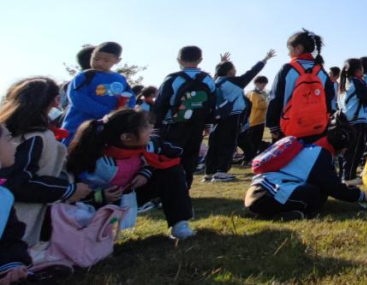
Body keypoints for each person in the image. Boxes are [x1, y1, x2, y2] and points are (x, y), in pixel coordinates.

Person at [67, 108, 196, 240]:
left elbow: (169, 155)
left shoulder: (148, 146)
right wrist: (100, 196)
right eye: (145, 127)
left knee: (172, 170)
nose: (151, 128)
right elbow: (72, 193)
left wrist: (145, 173)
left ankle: (180, 224)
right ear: (127, 137)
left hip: (131, 193)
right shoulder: (94, 160)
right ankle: (92, 236)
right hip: (100, 203)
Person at [0, 78, 92, 246]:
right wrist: (68, 189)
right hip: (18, 218)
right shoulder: (35, 136)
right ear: (55, 100)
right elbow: (19, 182)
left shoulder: (8, 130)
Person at [246, 114, 367, 220]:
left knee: (318, 191)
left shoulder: (314, 149)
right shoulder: (320, 155)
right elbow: (334, 187)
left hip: (259, 191)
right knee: (316, 193)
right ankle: (284, 215)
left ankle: (285, 211)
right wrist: (360, 196)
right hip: (265, 196)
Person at [205, 50, 275, 183]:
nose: (235, 71)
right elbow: (252, 72)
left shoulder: (215, 82)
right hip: (231, 117)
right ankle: (221, 172)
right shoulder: (235, 82)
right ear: (230, 72)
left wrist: (222, 63)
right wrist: (265, 59)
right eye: (233, 68)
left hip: (216, 118)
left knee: (214, 144)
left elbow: (218, 73)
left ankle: (209, 172)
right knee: (228, 144)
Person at [152, 45, 217, 187]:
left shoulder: (173, 78)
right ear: (200, 60)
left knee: (169, 155)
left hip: (173, 123)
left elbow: (161, 102)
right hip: (197, 125)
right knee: (190, 156)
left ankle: (166, 187)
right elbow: (212, 103)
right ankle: (185, 185)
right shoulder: (208, 79)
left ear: (179, 60)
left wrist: (155, 125)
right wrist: (208, 124)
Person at [267, 30, 335, 143]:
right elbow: (330, 99)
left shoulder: (287, 69)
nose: (288, 53)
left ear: (298, 48)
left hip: (289, 128)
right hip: (317, 127)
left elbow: (275, 98)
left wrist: (273, 125)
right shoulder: (321, 71)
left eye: (289, 49)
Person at [61, 42, 132, 144]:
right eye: (96, 59)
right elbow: (78, 99)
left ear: (117, 60)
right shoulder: (84, 76)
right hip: (77, 127)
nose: (100, 63)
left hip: (106, 129)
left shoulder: (120, 79)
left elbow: (130, 98)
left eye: (106, 60)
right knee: (71, 155)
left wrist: (123, 112)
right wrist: (108, 113)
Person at [0, 124, 33, 284]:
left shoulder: (4, 195)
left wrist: (11, 267)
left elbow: (10, 237)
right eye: (8, 139)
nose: (14, 145)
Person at [337, 59, 367, 184]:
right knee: (355, 151)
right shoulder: (357, 82)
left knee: (346, 151)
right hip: (357, 121)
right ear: (358, 70)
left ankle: (343, 175)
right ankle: (349, 177)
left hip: (345, 121)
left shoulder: (342, 83)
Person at [239, 76, 270, 164]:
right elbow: (260, 105)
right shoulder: (254, 94)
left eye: (265, 84)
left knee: (254, 141)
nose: (264, 86)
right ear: (257, 83)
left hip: (258, 120)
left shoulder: (258, 94)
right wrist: (266, 102)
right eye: (262, 84)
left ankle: (249, 158)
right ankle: (248, 159)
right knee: (253, 141)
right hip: (254, 121)